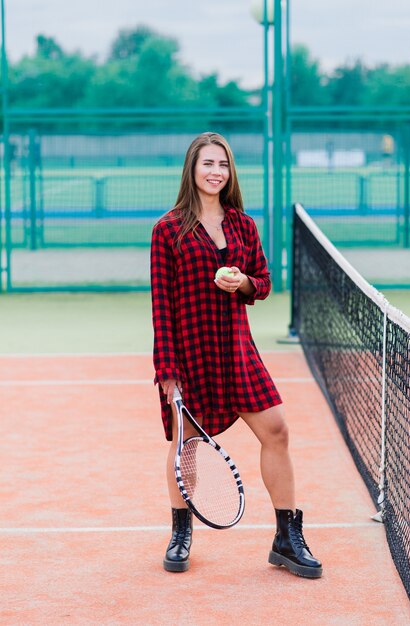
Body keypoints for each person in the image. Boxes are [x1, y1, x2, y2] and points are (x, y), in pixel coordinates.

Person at [150, 132, 322, 578]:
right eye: (207, 163)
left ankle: (286, 538)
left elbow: (262, 282)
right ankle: (181, 533)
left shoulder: (244, 225)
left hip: (237, 351)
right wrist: (168, 373)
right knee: (184, 447)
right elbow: (161, 305)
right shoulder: (167, 228)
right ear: (192, 169)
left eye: (223, 164)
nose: (215, 172)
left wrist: (242, 282)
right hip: (189, 355)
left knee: (277, 431)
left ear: (230, 173)